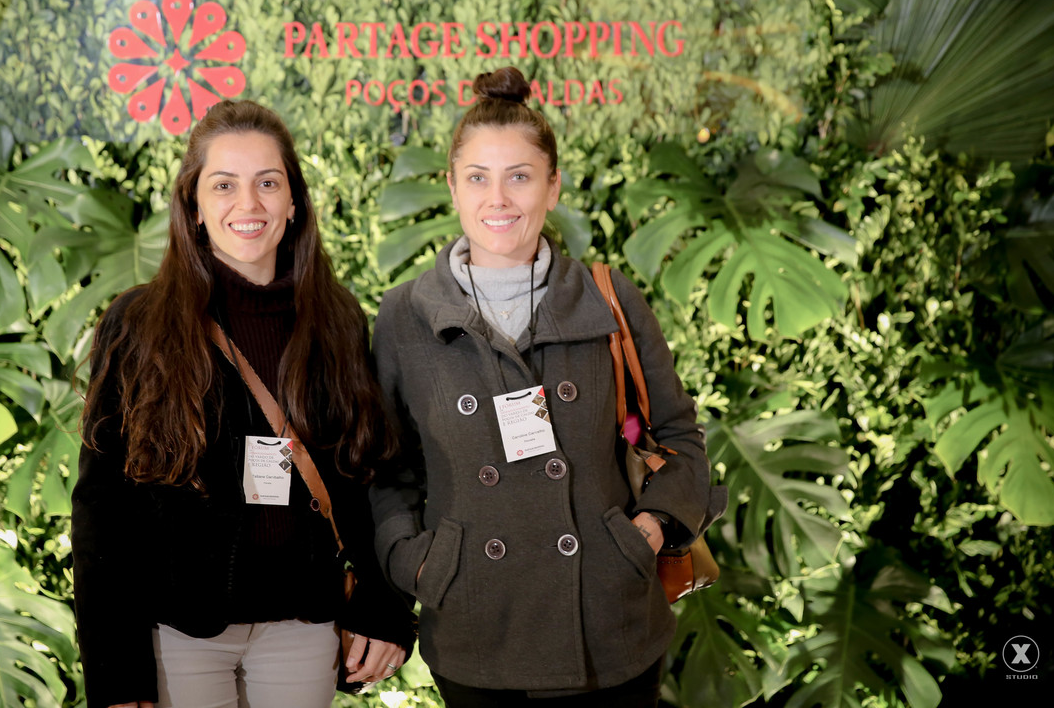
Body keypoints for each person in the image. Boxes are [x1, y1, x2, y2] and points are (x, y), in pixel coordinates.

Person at [370, 68, 722, 707]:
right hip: (476, 622)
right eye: (478, 177)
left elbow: (678, 436)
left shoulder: (607, 299)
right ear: (452, 186)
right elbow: (389, 469)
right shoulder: (404, 316)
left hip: (608, 622)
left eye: (520, 176)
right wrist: (415, 561)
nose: (498, 199)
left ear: (552, 186)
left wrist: (648, 530)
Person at [72, 100, 414, 708]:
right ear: (194, 206)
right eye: (224, 185)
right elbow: (104, 506)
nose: (248, 204)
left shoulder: (336, 318)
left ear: (294, 202)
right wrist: (116, 673)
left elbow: (362, 473)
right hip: (179, 630)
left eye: (268, 183)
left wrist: (384, 607)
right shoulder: (140, 323)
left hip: (301, 626)